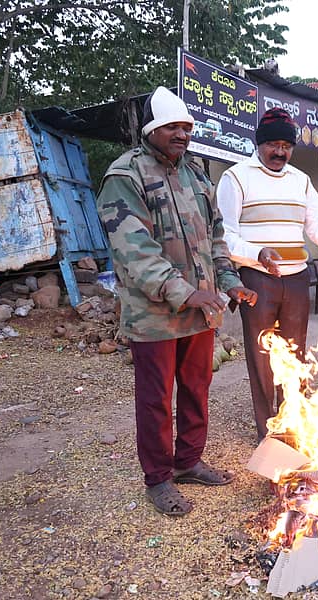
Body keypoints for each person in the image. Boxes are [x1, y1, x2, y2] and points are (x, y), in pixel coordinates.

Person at [97, 86, 258, 517]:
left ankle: (188, 462)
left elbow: (216, 239)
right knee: (154, 398)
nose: (181, 134)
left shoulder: (197, 176)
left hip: (201, 312)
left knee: (196, 388)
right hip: (154, 315)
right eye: (172, 127)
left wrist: (230, 281)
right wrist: (185, 293)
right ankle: (158, 478)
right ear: (152, 129)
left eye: (186, 127)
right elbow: (135, 251)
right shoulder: (125, 176)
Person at [214, 107, 318, 441]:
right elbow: (223, 234)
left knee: (295, 356)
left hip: (297, 279)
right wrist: (257, 253)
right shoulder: (236, 177)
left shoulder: (301, 181)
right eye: (274, 144)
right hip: (258, 279)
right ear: (260, 144)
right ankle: (268, 433)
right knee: (262, 357)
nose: (280, 151)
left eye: (287, 145)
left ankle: (293, 424)